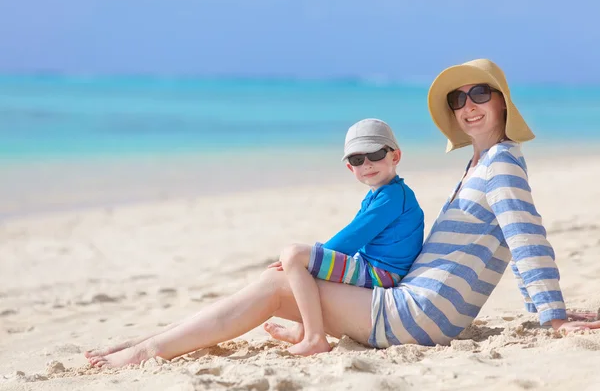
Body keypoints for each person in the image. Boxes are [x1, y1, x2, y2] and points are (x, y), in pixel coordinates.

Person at [85, 58, 600, 368]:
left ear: (503, 101)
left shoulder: (503, 162)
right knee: (274, 284)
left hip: (421, 316)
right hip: (412, 304)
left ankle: (147, 352)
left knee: (274, 285)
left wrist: (552, 316)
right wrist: (548, 311)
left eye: (480, 94)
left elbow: (526, 236)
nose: (468, 105)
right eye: (458, 98)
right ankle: (152, 342)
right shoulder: (480, 164)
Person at [267, 118, 424, 355]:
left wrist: (312, 256)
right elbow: (354, 236)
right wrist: (317, 257)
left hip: (383, 274)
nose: (368, 163)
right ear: (351, 168)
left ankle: (314, 337)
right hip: (373, 266)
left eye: (376, 153)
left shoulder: (392, 197)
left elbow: (352, 237)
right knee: (306, 265)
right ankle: (302, 331)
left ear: (395, 157)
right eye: (357, 159)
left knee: (295, 255)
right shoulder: (380, 194)